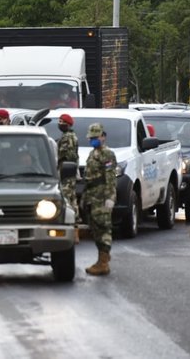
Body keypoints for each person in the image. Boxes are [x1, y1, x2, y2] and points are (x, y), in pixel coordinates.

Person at [82, 123, 117, 276]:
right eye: (92, 138)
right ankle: (102, 258)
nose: (93, 140)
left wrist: (110, 197)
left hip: (102, 196)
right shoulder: (92, 153)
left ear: (103, 137)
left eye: (96, 137)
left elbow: (110, 177)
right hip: (92, 195)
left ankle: (103, 262)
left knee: (103, 228)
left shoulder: (107, 154)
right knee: (95, 227)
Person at [57, 113, 80, 242]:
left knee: (67, 200)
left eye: (62, 121)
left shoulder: (68, 138)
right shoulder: (69, 136)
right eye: (59, 121)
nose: (60, 123)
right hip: (68, 173)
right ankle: (74, 230)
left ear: (68, 124)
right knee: (72, 200)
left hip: (66, 173)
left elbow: (66, 156)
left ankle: (72, 230)